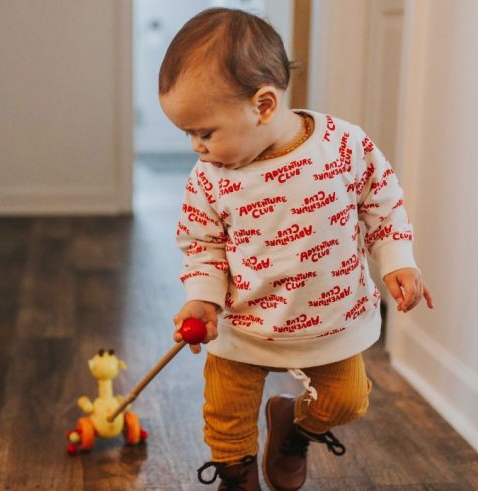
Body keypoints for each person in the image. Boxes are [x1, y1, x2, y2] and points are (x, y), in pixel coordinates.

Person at [160, 8, 434, 491]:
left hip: (332, 319)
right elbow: (202, 243)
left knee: (348, 400)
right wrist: (202, 297)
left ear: (263, 105)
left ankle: (292, 427)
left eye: (205, 132)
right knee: (226, 418)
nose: (196, 148)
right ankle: (237, 475)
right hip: (244, 326)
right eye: (189, 135)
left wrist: (397, 260)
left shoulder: (344, 146)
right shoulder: (210, 177)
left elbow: (383, 204)